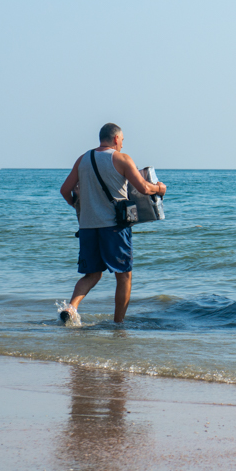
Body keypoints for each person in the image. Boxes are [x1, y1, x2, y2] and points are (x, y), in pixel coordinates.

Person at [58, 122, 166, 324]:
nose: (123, 145)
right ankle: (119, 324)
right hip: (114, 227)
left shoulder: (83, 159)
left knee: (92, 275)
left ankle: (71, 308)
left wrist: (78, 207)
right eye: (122, 140)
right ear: (116, 138)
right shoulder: (122, 159)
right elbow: (143, 188)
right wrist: (160, 189)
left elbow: (65, 190)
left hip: (87, 227)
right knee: (124, 276)